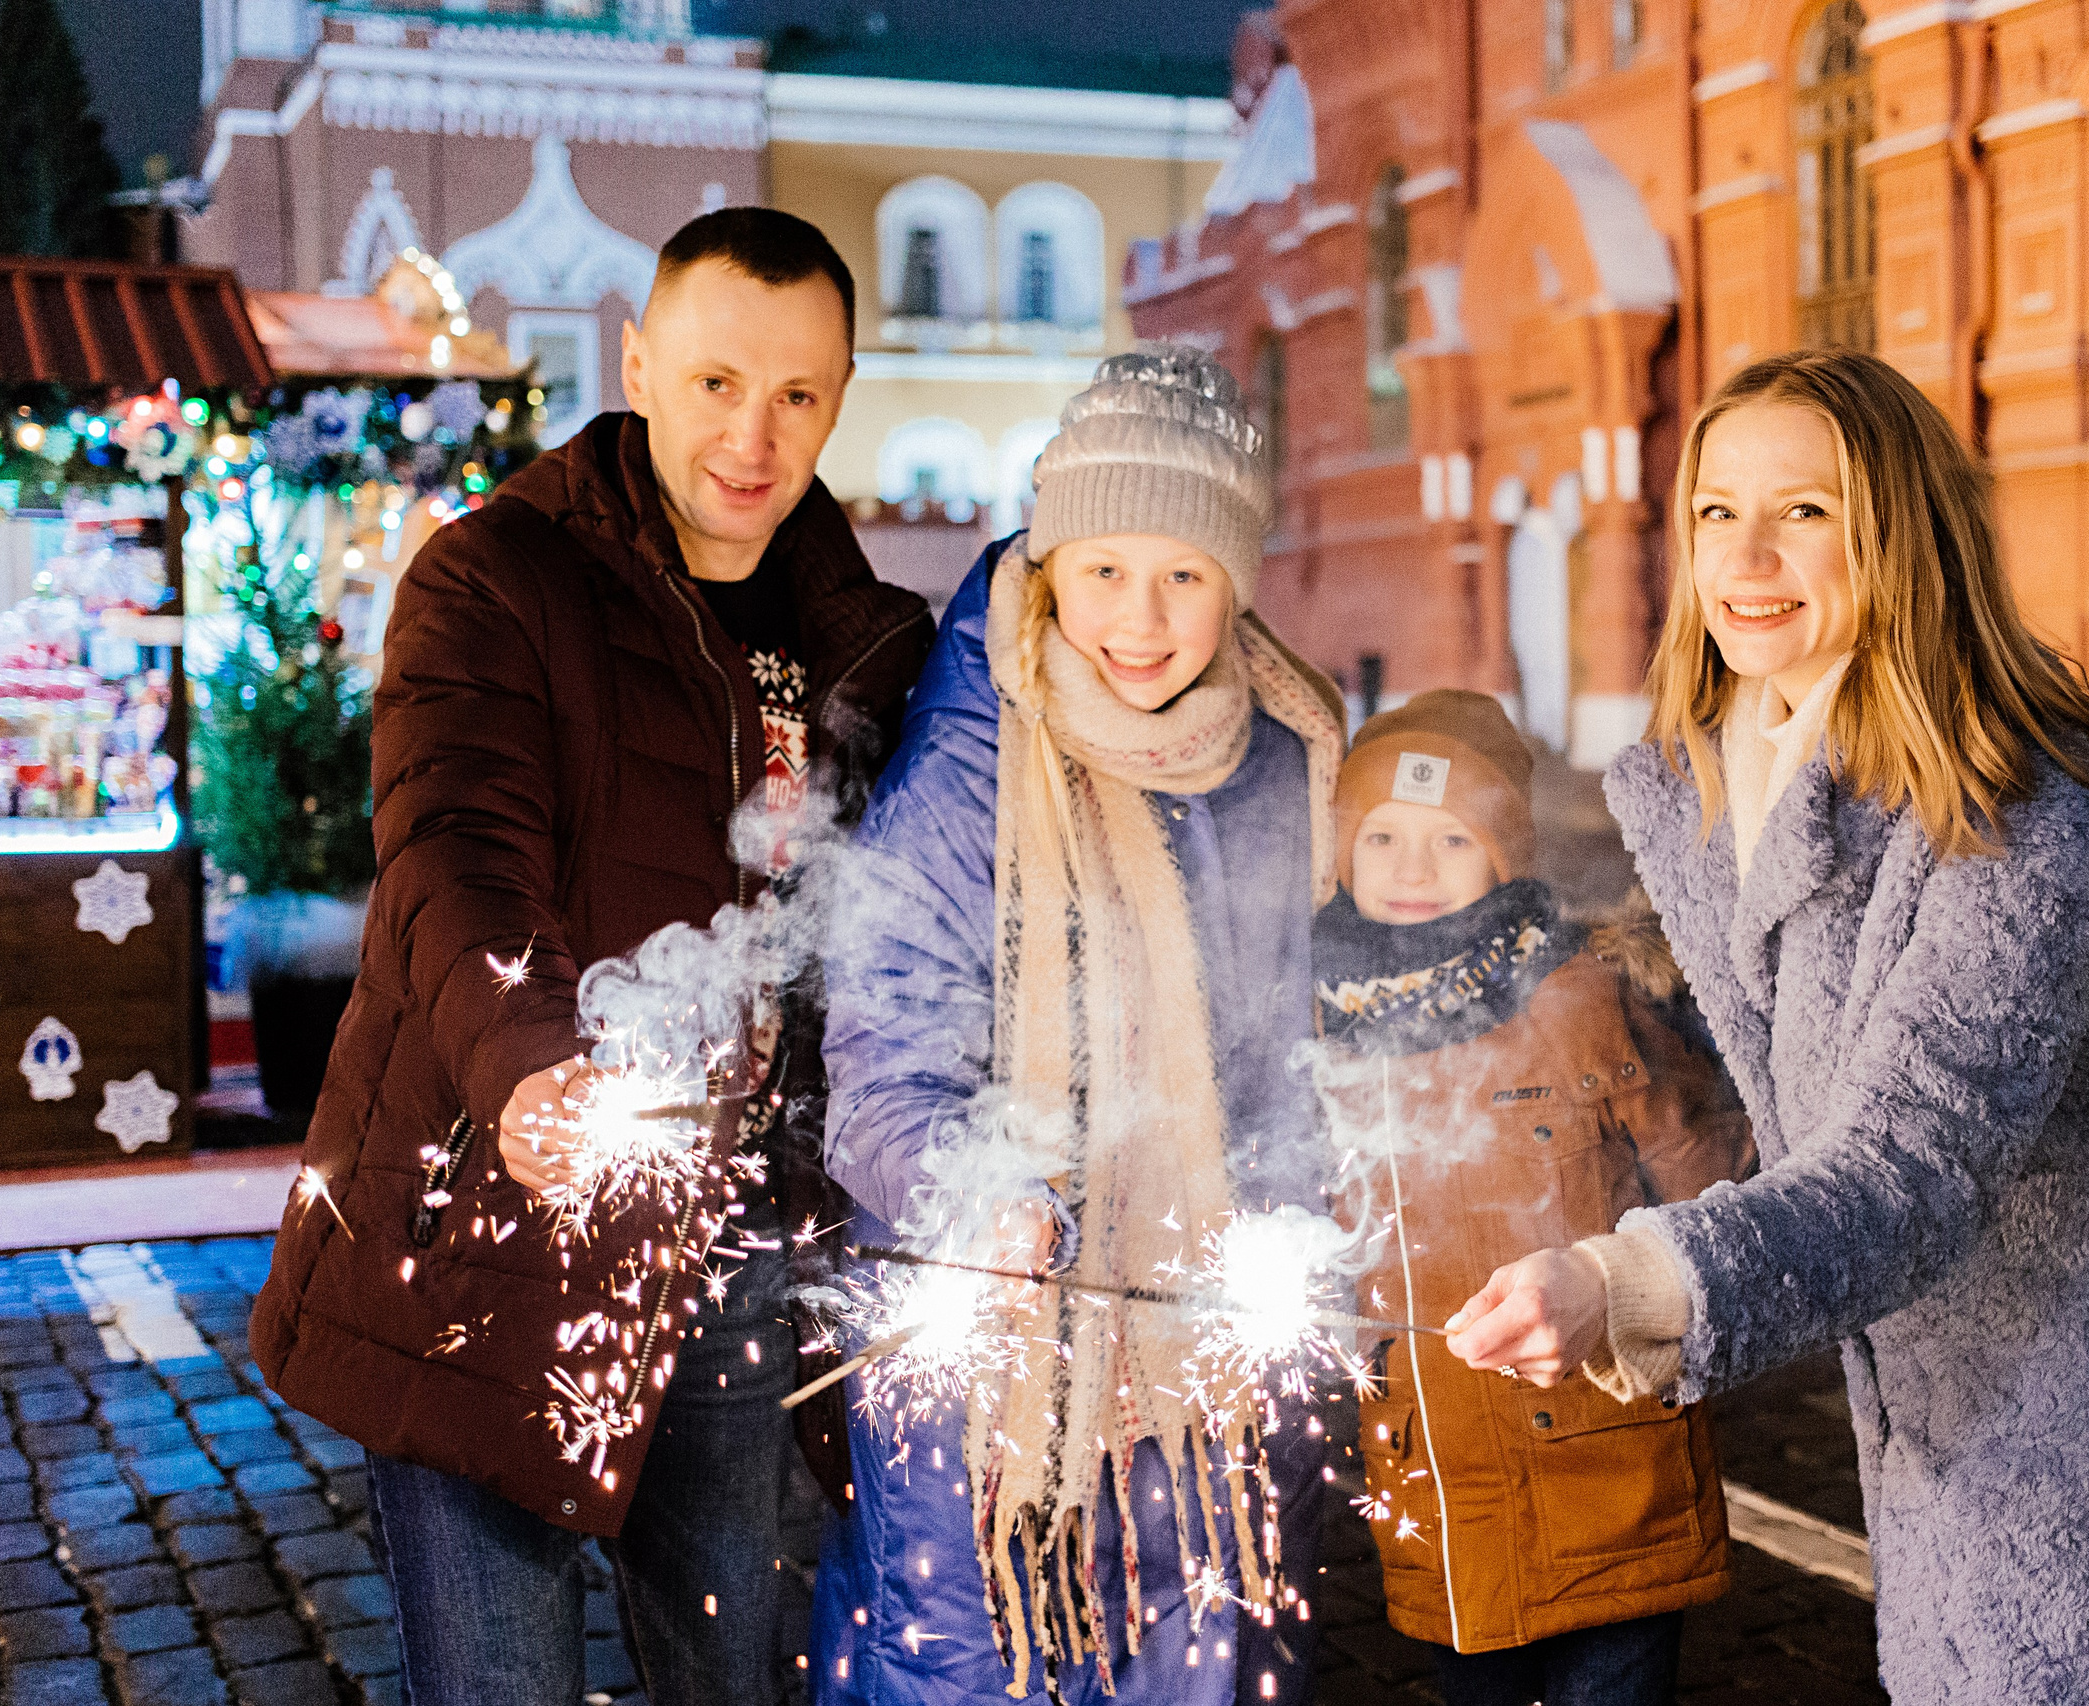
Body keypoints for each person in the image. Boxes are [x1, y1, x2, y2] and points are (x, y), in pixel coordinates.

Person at [1443, 349, 2089, 1705]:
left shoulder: (2029, 798)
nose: (1745, 555)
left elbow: (1912, 1158)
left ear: (1902, 533)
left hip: (2079, 1339)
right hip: (1906, 1324)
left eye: (1805, 511)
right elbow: (1764, 1065)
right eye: (1715, 510)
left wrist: (1630, 1279)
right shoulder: (1710, 770)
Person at [246, 208, 934, 1706]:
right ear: (638, 366)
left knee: (728, 1667)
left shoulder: (866, 638)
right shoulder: (494, 576)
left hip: (736, 1246)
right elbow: (453, 847)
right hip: (492, 1226)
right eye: (715, 382)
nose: (752, 436)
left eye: (797, 393)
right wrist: (533, 1061)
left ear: (841, 395)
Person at [811, 346, 1346, 1705]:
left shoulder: (1283, 752)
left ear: (1237, 580)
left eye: (1184, 574)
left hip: (1200, 1351)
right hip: (995, 1360)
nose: (1141, 619)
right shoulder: (967, 766)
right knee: (974, 1665)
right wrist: (978, 1194)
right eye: (1105, 568)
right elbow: (881, 1061)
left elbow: (1291, 1055)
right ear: (1050, 567)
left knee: (1203, 1658)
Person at [1312, 690, 1754, 1706]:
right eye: (1381, 837)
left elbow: (1706, 1176)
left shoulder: (1577, 1000)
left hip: (1606, 1484)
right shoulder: (1320, 1033)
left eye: (1450, 839)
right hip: (1441, 1498)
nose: (1412, 868)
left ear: (1504, 855)